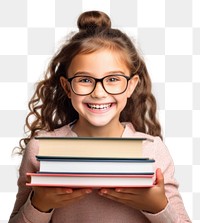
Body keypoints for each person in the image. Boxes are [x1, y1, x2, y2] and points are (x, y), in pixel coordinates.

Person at [9, 11, 191, 223]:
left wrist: (157, 207)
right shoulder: (41, 148)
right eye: (85, 80)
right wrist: (39, 203)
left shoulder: (152, 149)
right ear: (67, 87)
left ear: (131, 86)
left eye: (113, 79)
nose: (99, 92)